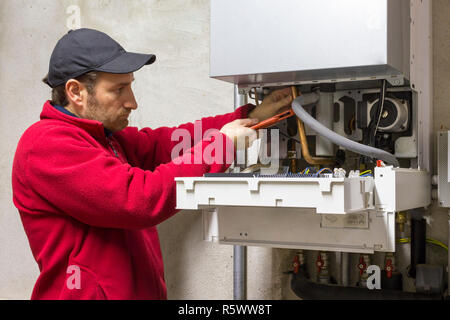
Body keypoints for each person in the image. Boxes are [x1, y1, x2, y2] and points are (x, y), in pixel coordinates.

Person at [11, 28, 293, 300]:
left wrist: (253, 115)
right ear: (75, 92)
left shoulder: (106, 139)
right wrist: (221, 145)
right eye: (119, 90)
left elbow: (167, 144)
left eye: (130, 87)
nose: (132, 102)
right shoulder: (47, 144)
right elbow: (138, 199)